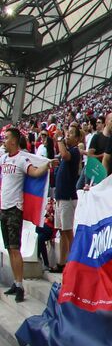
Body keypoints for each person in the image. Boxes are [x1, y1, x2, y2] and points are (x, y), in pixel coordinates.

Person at [0, 128, 50, 301]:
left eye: (6, 138)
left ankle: (20, 285)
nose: (3, 141)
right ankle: (15, 282)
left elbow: (35, 172)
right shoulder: (4, 158)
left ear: (13, 141)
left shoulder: (22, 159)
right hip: (3, 208)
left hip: (14, 209)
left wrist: (47, 165)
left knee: (15, 249)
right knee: (8, 248)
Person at [52, 124, 82, 271]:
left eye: (71, 133)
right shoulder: (69, 150)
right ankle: (62, 262)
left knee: (68, 231)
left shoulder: (75, 151)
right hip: (60, 197)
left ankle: (74, 264)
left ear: (77, 138)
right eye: (67, 133)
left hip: (67, 198)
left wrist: (59, 139)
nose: (67, 135)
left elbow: (64, 155)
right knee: (63, 231)